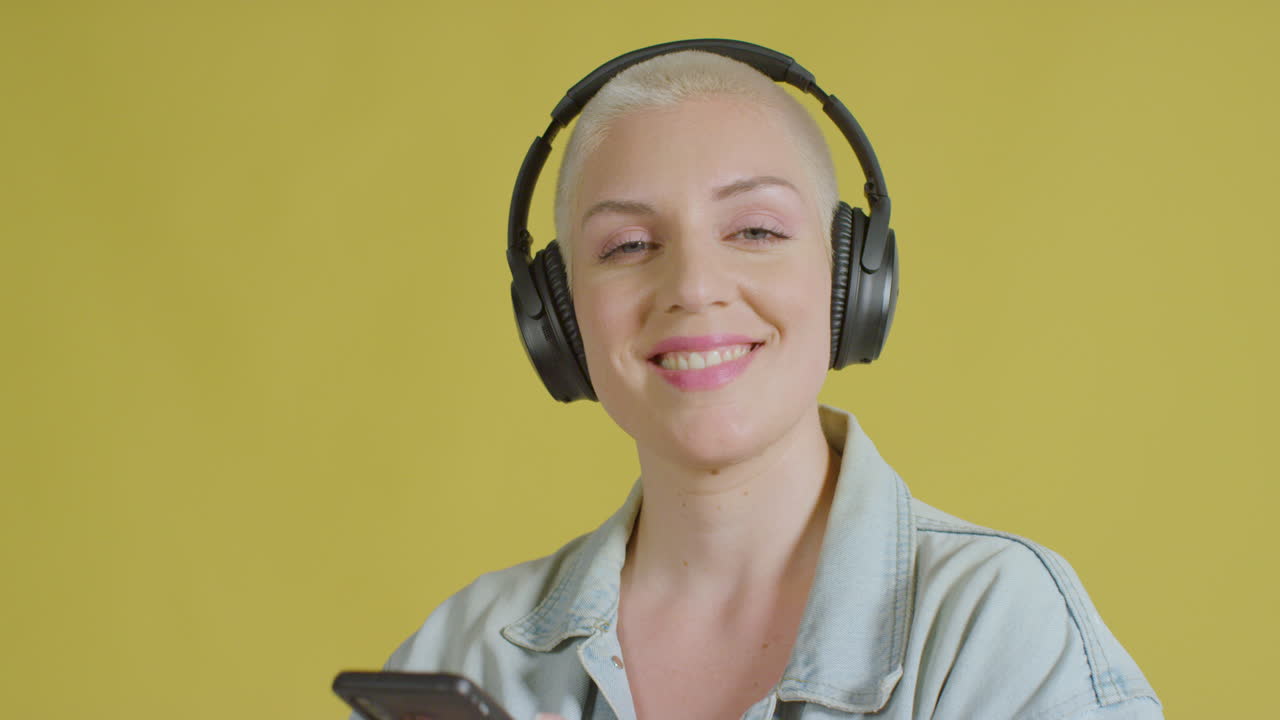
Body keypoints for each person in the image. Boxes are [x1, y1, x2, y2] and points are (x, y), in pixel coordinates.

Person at [366, 45, 1163, 720]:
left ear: (852, 279)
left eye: (755, 230)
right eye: (629, 245)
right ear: (559, 318)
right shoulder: (466, 649)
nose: (694, 286)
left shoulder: (995, 625)